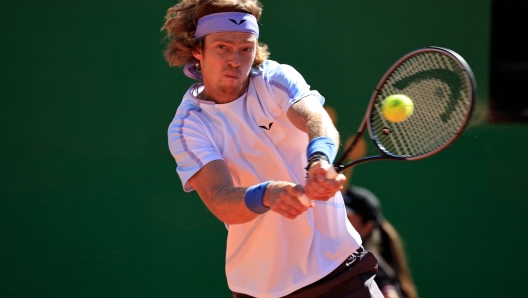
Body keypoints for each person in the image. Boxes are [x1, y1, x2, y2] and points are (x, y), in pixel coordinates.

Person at [162, 1, 384, 297]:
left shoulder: (275, 79)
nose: (235, 60)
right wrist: (267, 193)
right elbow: (219, 199)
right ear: (197, 50)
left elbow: (316, 119)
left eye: (245, 48)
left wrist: (319, 160)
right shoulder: (188, 126)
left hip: (339, 268)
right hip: (262, 288)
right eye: (222, 47)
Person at [343, 186, 418, 298]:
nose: (340, 219)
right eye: (338, 213)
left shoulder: (367, 262)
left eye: (347, 215)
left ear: (368, 227)